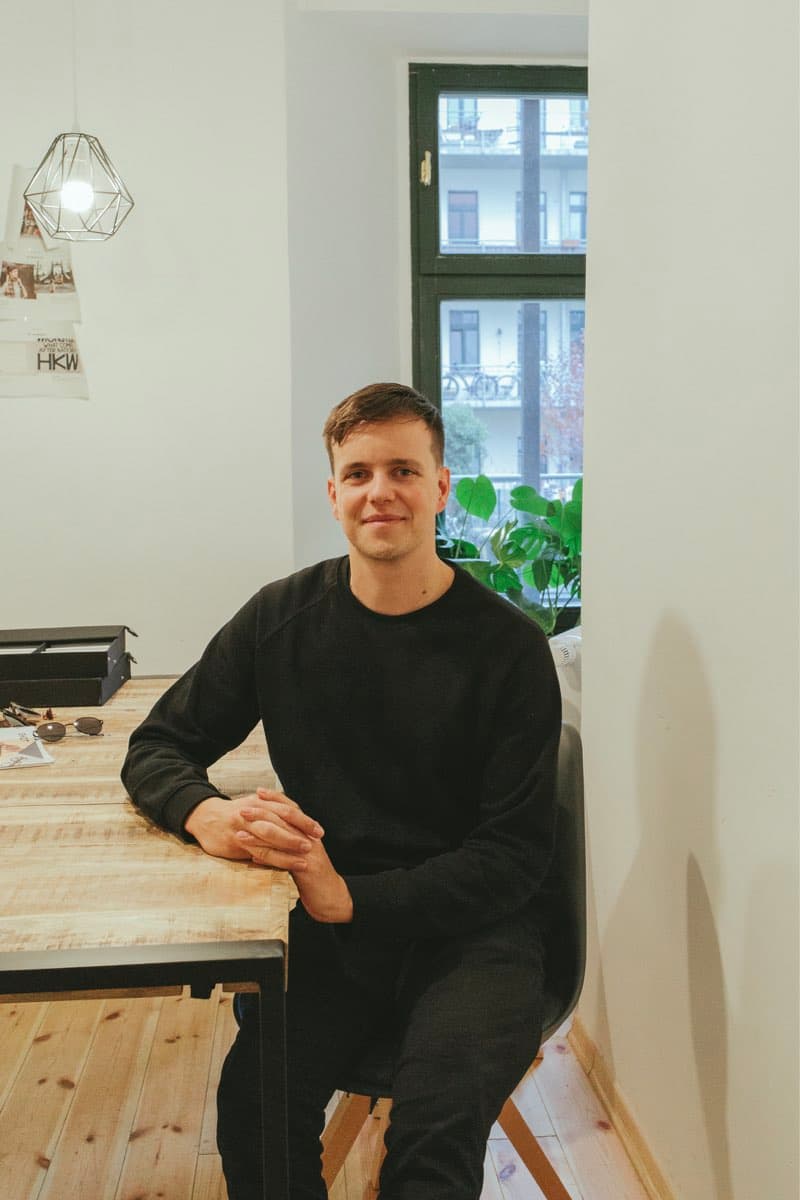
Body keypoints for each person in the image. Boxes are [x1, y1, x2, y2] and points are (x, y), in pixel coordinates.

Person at [121, 382, 562, 1200]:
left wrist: (348, 897)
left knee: (431, 1137)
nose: (379, 491)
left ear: (440, 487)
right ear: (333, 495)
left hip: (477, 930)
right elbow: (158, 745)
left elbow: (513, 858)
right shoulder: (280, 619)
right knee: (254, 1108)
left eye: (403, 469)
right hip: (331, 938)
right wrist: (207, 813)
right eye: (358, 473)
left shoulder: (508, 650)